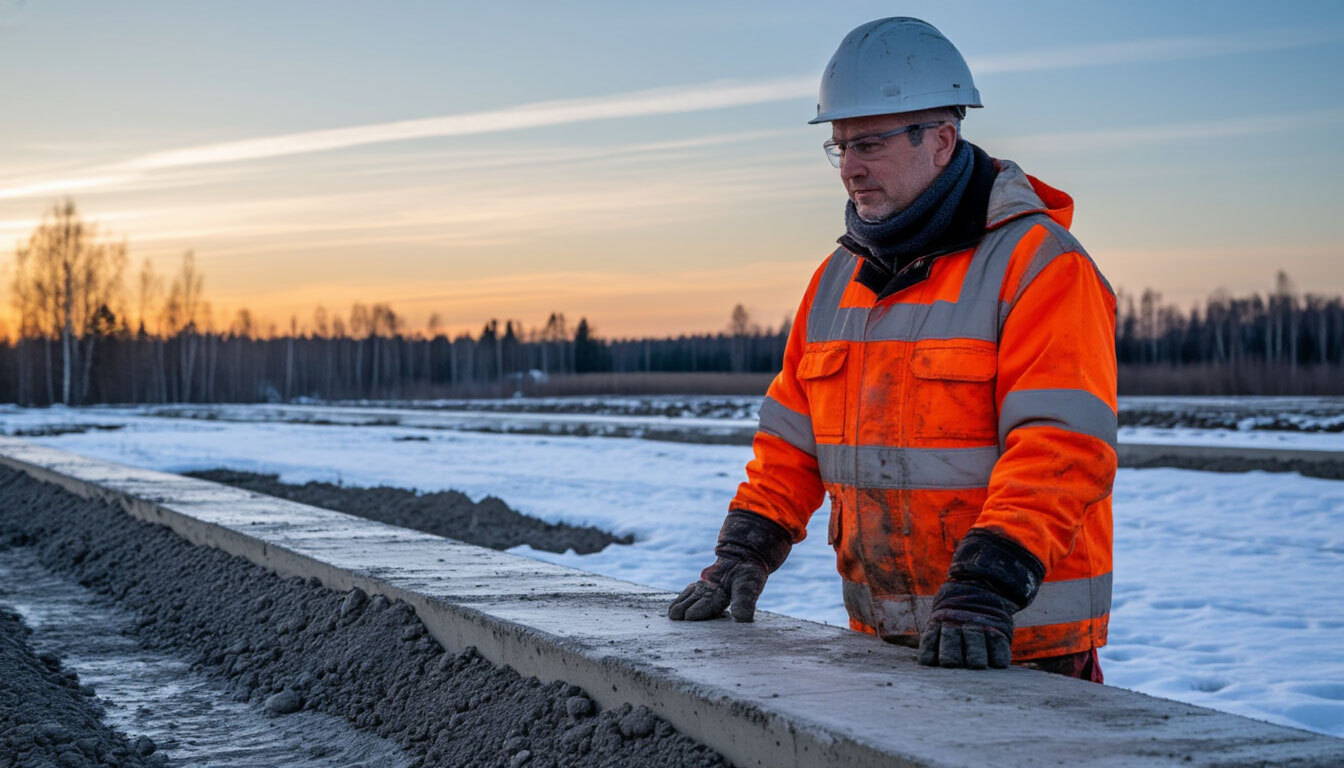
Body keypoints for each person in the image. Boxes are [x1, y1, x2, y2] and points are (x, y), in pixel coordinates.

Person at [668, 17, 1115, 681]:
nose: (849, 168)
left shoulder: (1040, 268)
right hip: (885, 645)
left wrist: (986, 587)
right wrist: (746, 547)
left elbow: (1061, 447)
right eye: (839, 147)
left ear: (940, 140)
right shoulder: (835, 282)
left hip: (1019, 647)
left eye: (868, 145)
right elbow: (794, 440)